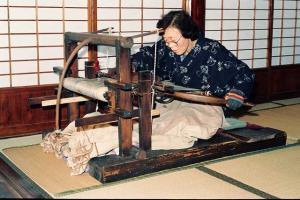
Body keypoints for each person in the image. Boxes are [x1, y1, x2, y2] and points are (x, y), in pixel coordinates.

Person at [41, 10, 255, 176]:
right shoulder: (164, 47)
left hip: (204, 104)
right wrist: (120, 67)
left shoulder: (211, 51)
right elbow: (143, 56)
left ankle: (107, 143)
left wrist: (237, 92)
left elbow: (244, 73)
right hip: (171, 100)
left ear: (189, 34)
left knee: (179, 125)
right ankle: (78, 137)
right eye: (167, 40)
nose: (170, 45)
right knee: (143, 118)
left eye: (175, 40)